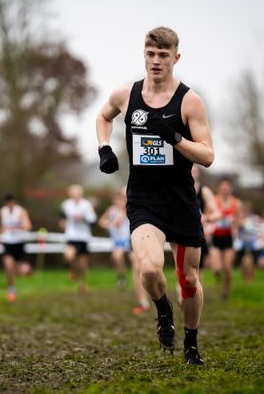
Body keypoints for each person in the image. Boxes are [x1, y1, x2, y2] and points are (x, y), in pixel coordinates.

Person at [95, 26, 214, 365]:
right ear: (143, 55)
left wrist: (175, 137)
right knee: (148, 269)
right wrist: (104, 148)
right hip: (144, 199)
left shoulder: (189, 101)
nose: (156, 61)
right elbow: (103, 117)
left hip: (180, 200)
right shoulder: (126, 95)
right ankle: (163, 310)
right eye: (151, 54)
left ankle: (191, 343)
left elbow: (207, 155)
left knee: (189, 280)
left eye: (163, 55)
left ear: (176, 58)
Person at [98, 187, 150, 314]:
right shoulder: (112, 210)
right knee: (122, 258)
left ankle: (151, 297)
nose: (123, 199)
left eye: (125, 196)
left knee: (145, 269)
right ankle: (141, 299)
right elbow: (102, 221)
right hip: (120, 241)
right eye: (121, 197)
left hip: (136, 240)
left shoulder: (135, 208)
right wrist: (109, 224)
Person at [209, 177, 243, 300]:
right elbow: (208, 216)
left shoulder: (236, 203)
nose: (224, 189)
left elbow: (240, 220)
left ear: (230, 188)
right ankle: (217, 275)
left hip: (229, 238)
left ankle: (225, 291)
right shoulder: (213, 201)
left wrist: (235, 223)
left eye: (227, 187)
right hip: (216, 237)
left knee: (228, 268)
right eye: (222, 187)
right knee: (217, 268)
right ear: (218, 188)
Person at [59, 184, 97, 294]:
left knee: (83, 262)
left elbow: (93, 220)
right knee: (69, 256)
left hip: (83, 236)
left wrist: (83, 218)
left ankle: (83, 284)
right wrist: (62, 223)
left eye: (77, 193)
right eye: (73, 193)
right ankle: (73, 270)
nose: (75, 195)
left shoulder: (86, 204)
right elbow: (62, 217)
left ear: (81, 194)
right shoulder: (65, 204)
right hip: (71, 235)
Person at [0, 193, 33, 302]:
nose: (10, 204)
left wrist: (18, 226)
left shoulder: (21, 211)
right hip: (8, 243)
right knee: (8, 267)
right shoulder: (2, 212)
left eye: (11, 202)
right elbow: (2, 225)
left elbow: (28, 226)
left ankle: (26, 269)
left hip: (19, 243)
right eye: (8, 202)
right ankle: (11, 291)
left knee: (18, 271)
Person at [191, 165, 221, 281]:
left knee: (197, 269)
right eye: (190, 170)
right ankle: (182, 294)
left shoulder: (204, 191)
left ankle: (195, 294)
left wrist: (206, 218)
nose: (192, 173)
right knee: (180, 267)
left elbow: (217, 213)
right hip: (180, 231)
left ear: (198, 173)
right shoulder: (176, 189)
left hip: (198, 233)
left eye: (194, 171)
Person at [235, 202, 258, 282]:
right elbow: (237, 229)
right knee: (242, 262)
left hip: (250, 244)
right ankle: (245, 279)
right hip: (241, 244)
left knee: (249, 261)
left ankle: (251, 279)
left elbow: (256, 229)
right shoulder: (239, 219)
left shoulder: (254, 218)